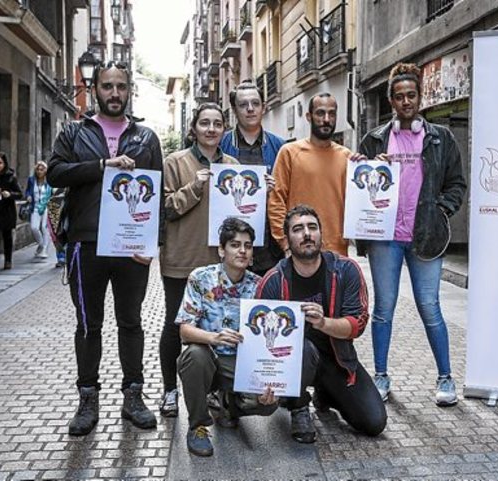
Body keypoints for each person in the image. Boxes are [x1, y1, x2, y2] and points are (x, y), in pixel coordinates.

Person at [47, 60, 163, 436]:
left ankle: (134, 397)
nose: (115, 93)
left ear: (130, 90)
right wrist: (102, 165)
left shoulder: (146, 138)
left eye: (121, 86)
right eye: (108, 86)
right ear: (95, 88)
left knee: (131, 322)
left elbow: (157, 194)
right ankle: (87, 400)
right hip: (86, 244)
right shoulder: (73, 132)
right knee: (88, 324)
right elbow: (55, 173)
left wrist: (152, 243)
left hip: (130, 247)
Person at [357, 62, 467, 405]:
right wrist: (364, 166)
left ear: (421, 97)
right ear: (391, 100)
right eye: (399, 96)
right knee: (383, 309)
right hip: (385, 237)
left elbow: (456, 184)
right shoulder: (375, 139)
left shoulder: (440, 138)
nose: (406, 101)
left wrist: (440, 211)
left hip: (426, 236)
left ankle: (446, 378)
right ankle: (381, 376)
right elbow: (359, 184)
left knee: (430, 307)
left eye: (411, 95)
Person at [257, 204, 387, 443]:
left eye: (312, 227)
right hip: (293, 362)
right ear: (287, 239)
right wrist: (265, 384)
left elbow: (357, 324)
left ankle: (326, 392)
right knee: (304, 348)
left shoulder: (345, 270)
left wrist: (323, 322)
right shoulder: (273, 281)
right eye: (298, 229)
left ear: (320, 233)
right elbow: (259, 343)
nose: (307, 234)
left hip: (337, 359)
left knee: (374, 422)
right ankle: (298, 405)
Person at [158, 103, 242, 418]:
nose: (211, 129)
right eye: (204, 123)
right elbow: (165, 207)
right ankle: (170, 390)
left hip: (218, 265)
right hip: (181, 259)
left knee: (217, 326)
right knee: (175, 326)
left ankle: (212, 391)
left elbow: (242, 216)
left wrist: (262, 193)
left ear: (224, 129)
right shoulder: (174, 162)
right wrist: (195, 186)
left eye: (217, 123)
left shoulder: (232, 165)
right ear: (194, 128)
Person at [176, 217, 279, 457]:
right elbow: (184, 330)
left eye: (247, 246)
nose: (242, 251)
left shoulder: (260, 285)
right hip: (209, 359)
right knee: (194, 355)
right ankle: (198, 426)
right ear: (221, 250)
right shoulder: (200, 278)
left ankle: (228, 405)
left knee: (269, 404)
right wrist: (214, 338)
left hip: (243, 363)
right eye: (235, 245)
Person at [268, 93, 351, 257]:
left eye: (331, 113)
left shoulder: (347, 157)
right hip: (299, 249)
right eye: (320, 113)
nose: (326, 119)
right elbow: (276, 200)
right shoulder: (289, 152)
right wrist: (285, 243)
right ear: (308, 116)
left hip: (337, 251)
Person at [220, 80, 285, 276]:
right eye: (243, 104)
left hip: (269, 248)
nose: (250, 109)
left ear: (263, 107)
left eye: (255, 103)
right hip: (229, 247)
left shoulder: (280, 146)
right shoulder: (220, 145)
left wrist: (275, 189)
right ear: (234, 109)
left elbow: (289, 193)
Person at [24, 161, 53, 258]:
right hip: (35, 207)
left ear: (45, 171)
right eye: (38, 169)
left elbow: (53, 193)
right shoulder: (32, 180)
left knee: (44, 228)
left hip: (46, 207)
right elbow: (28, 191)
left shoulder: (49, 181)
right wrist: (28, 196)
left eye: (42, 169)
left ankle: (44, 250)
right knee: (34, 227)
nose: (39, 171)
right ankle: (40, 244)